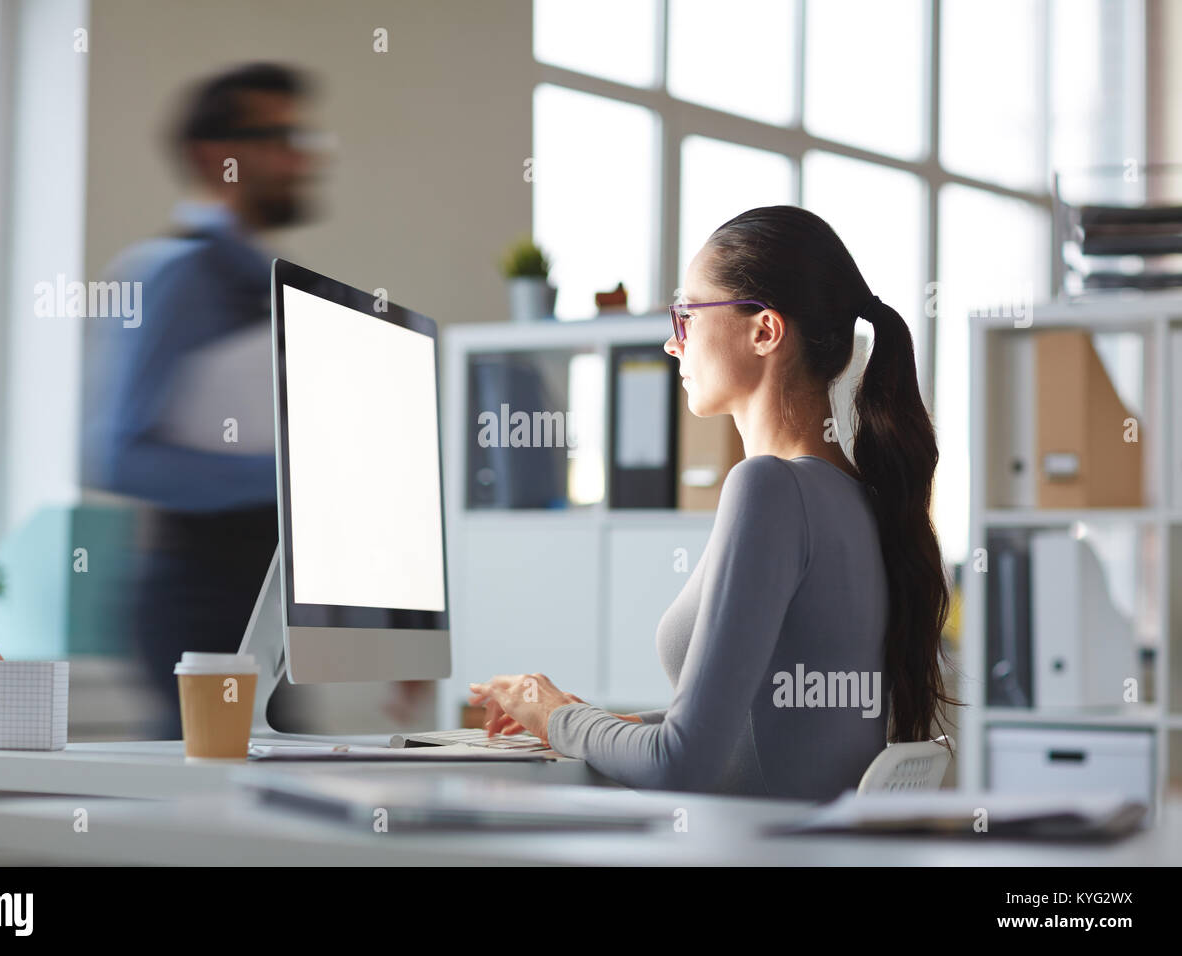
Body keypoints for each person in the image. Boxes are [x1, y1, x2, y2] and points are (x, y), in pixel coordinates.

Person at [469, 205, 959, 799]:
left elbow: (681, 765)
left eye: (687, 315)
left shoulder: (769, 489)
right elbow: (772, 735)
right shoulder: (861, 499)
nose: (672, 343)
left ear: (765, 331)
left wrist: (550, 712)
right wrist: (588, 722)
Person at [89, 62, 427, 737]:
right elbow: (114, 455)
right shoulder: (175, 277)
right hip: (199, 597)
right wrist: (292, 479)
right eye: (278, 137)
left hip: (270, 598)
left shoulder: (265, 282)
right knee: (216, 818)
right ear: (213, 155)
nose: (300, 158)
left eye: (304, 138)